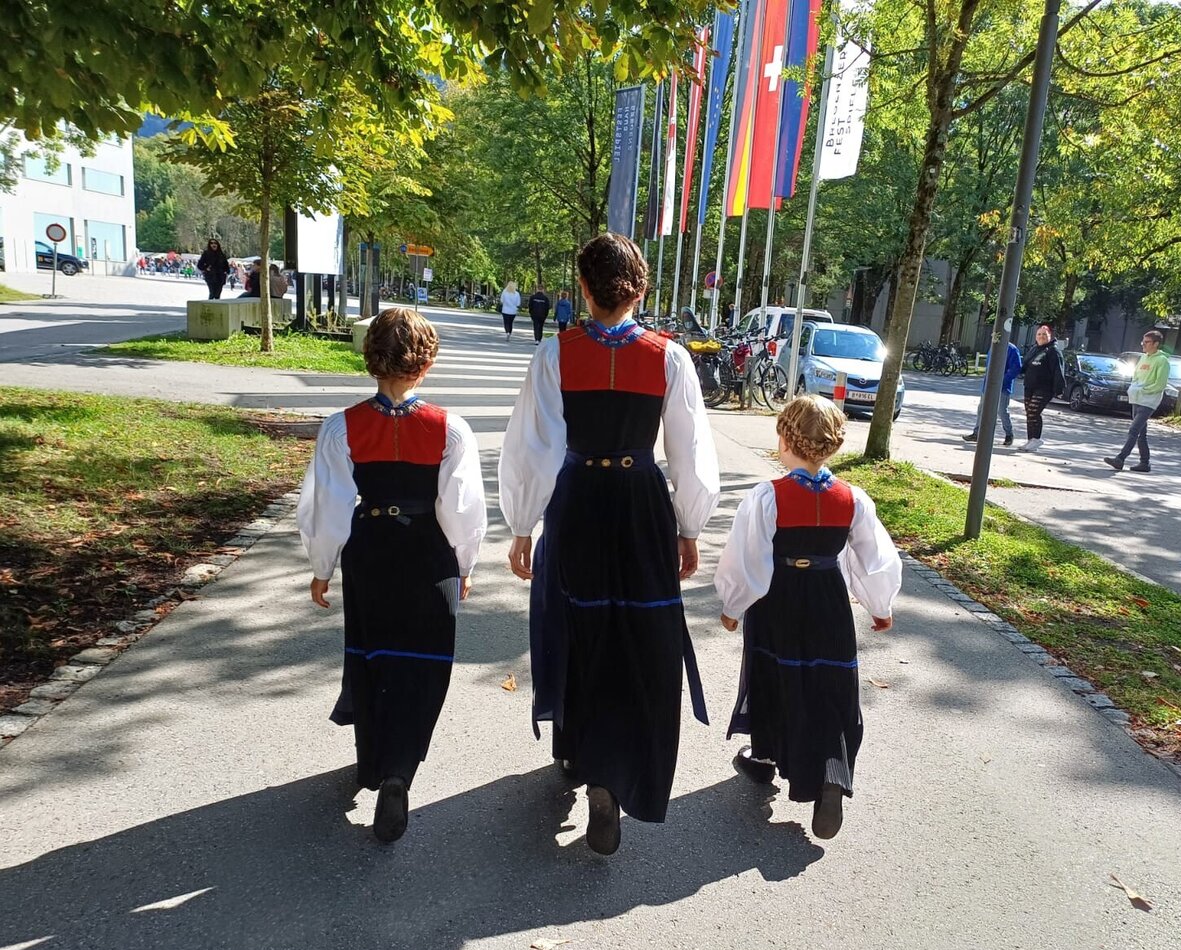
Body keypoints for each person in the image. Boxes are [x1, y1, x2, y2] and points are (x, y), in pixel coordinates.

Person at [499, 233, 720, 855]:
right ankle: (616, 772)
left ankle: (580, 752)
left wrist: (522, 525)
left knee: (580, 626)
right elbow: (692, 453)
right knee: (637, 634)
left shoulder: (554, 356)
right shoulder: (670, 358)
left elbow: (532, 448)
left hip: (577, 501)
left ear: (584, 290)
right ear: (639, 289)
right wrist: (689, 526)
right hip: (642, 501)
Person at [297, 308, 486, 843]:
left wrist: (322, 567)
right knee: (424, 663)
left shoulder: (342, 427)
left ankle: (375, 762)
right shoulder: (451, 430)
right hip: (429, 551)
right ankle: (402, 769)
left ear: (370, 359)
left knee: (373, 651)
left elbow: (327, 507)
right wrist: (464, 565)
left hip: (371, 549)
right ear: (425, 364)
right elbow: (464, 509)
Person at [714, 395, 901, 840]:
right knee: (829, 681)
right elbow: (874, 558)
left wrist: (733, 604)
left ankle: (764, 757)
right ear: (834, 446)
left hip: (778, 599)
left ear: (784, 440)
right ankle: (832, 771)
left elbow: (747, 559)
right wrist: (880, 605)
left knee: (774, 674)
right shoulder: (852, 499)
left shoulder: (767, 497)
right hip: (827, 598)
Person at [1105, 330, 1171, 473]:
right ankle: (1145, 463)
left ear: (1156, 344)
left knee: (1134, 430)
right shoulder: (1143, 358)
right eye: (1143, 341)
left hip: (1149, 401)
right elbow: (1136, 376)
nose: (1143, 345)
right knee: (1141, 433)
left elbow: (1160, 384)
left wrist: (1142, 390)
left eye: (1147, 342)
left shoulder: (1162, 361)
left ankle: (1120, 458)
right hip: (1137, 398)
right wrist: (1133, 389)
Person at [962, 341, 1022, 446]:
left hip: (1002, 387)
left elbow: (1016, 368)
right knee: (981, 409)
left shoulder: (1011, 349)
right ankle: (977, 433)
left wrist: (1003, 379)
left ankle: (1009, 434)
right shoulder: (993, 347)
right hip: (988, 386)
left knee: (1001, 411)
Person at [1018, 323, 1064, 452]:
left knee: (1034, 411)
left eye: (1044, 334)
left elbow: (1058, 370)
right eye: (1039, 334)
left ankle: (1036, 439)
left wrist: (1059, 389)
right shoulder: (1034, 349)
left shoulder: (1053, 351)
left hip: (1044, 388)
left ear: (1050, 336)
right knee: (1029, 413)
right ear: (1035, 336)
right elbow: (1025, 365)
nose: (1041, 336)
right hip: (1029, 386)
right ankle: (1031, 440)